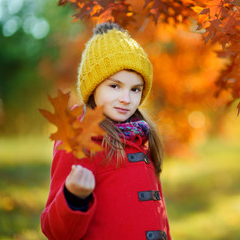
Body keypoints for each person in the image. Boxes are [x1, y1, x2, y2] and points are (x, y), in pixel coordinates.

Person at [41, 22, 171, 240]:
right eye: (114, 86)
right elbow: (55, 231)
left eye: (135, 89)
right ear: (93, 88)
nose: (126, 99)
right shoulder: (79, 140)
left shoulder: (142, 138)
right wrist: (74, 197)